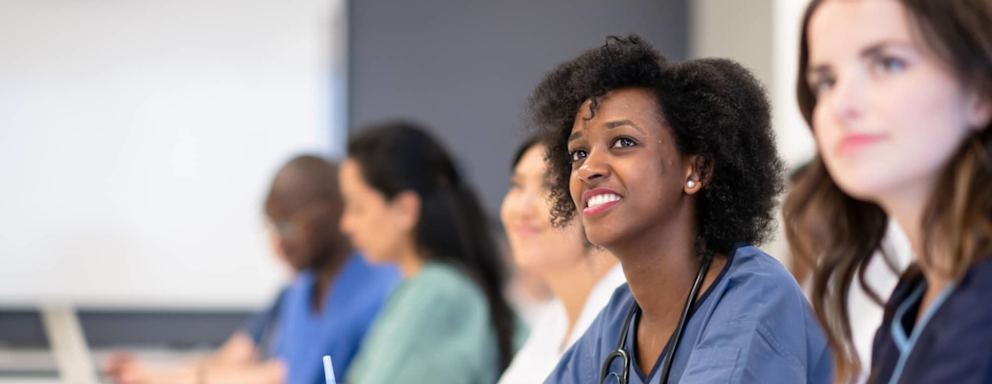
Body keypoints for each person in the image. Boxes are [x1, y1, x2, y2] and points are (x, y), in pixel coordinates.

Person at [534, 35, 832, 383]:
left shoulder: (757, 295)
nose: (588, 169)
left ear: (696, 171)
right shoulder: (620, 318)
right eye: (579, 153)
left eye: (623, 142)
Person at [784, 0, 992, 382]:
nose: (840, 105)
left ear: (980, 91)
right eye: (826, 81)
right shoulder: (909, 303)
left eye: (887, 63)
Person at [105, 155, 399, 384]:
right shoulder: (299, 293)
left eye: (286, 226)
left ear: (334, 214)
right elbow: (245, 359)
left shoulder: (379, 291)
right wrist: (156, 375)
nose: (277, 243)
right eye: (271, 226)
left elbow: (285, 376)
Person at [338, 121, 522, 384]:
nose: (346, 224)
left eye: (357, 207)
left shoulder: (437, 293)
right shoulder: (423, 287)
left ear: (405, 209)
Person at [498, 137, 624, 384]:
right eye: (517, 185)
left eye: (550, 187)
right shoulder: (552, 322)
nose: (522, 208)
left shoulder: (631, 309)